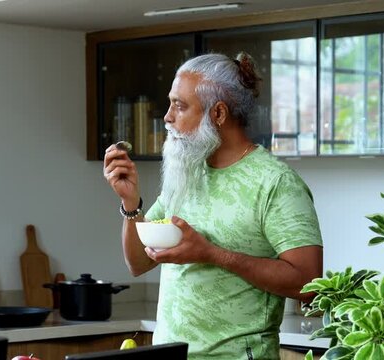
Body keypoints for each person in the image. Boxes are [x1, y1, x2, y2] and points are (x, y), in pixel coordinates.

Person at [103, 52, 323, 360]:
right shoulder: (188, 173)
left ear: (218, 113)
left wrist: (212, 254)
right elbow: (139, 263)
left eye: (179, 105)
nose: (167, 116)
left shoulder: (276, 183)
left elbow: (309, 283)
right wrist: (130, 203)